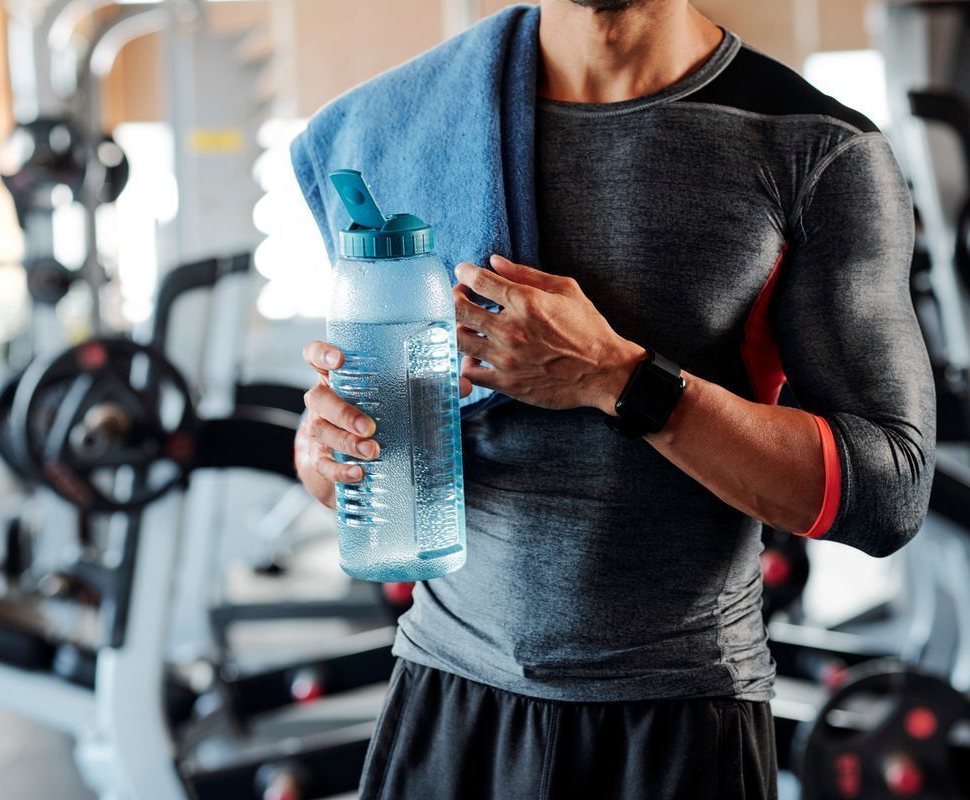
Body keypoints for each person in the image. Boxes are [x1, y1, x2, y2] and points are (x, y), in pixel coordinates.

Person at [290, 1, 936, 798]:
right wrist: (324, 450)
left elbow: (888, 491)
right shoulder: (398, 128)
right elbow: (349, 461)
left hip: (678, 721)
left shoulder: (814, 145)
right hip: (446, 704)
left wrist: (619, 379)